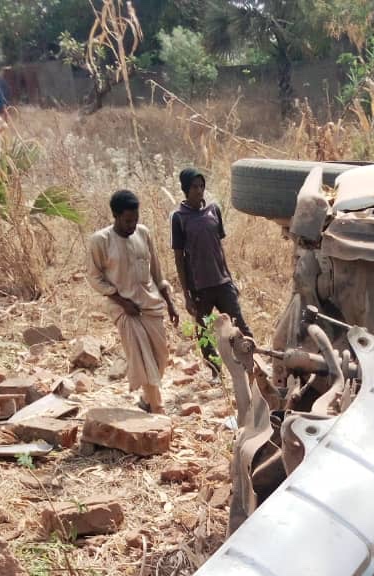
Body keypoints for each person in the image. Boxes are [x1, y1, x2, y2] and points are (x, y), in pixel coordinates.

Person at [87, 189, 179, 414]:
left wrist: (170, 303)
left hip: (150, 304)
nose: (132, 225)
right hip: (125, 309)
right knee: (142, 358)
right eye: (128, 221)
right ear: (116, 216)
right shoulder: (101, 241)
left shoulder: (143, 233)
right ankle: (157, 408)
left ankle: (147, 401)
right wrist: (121, 301)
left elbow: (156, 272)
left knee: (160, 358)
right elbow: (94, 277)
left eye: (135, 220)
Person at [171, 167, 252, 374]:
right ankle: (216, 372)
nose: (199, 191)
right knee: (204, 333)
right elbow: (179, 258)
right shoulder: (179, 218)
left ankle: (252, 364)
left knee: (239, 326)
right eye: (194, 187)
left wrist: (230, 279)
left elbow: (219, 248)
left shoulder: (213, 210)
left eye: (201, 186)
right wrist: (187, 294)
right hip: (200, 288)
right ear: (185, 190)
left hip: (222, 283)